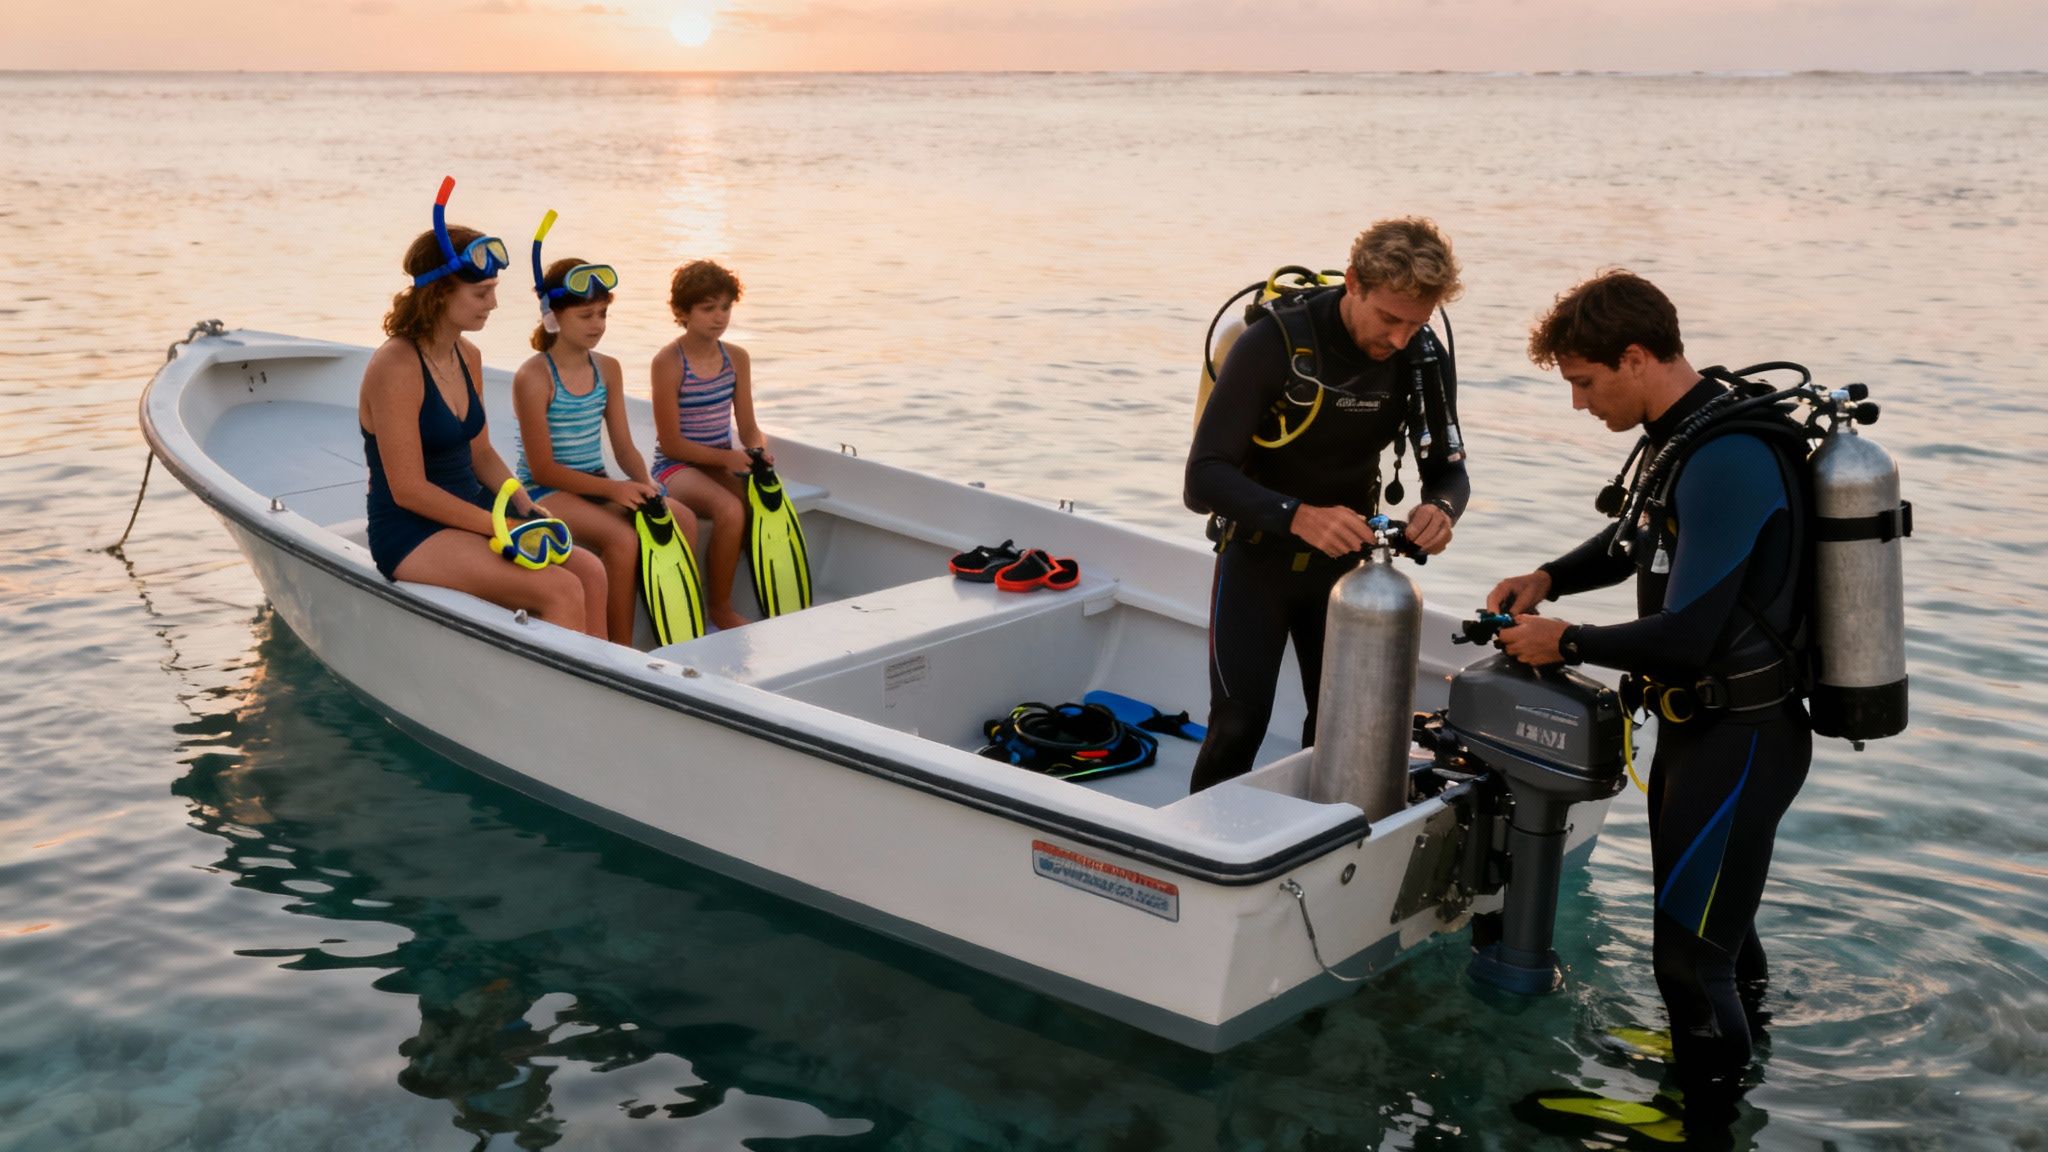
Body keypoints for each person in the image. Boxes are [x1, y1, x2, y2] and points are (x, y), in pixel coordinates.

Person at [1490, 270, 1812, 1140]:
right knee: (1720, 937)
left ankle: (1695, 1125)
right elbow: (1636, 536)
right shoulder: (1686, 437)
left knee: (1688, 959)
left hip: (1741, 737)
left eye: (1586, 383)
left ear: (1636, 357)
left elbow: (1689, 635)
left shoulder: (1731, 456)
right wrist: (1551, 577)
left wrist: (1571, 641)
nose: (1580, 404)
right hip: (1709, 730)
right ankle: (1711, 1065)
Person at [1184, 218, 1470, 791]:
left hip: (1345, 571)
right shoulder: (1272, 345)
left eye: (1415, 324)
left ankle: (1320, 852)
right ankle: (1199, 849)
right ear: (1356, 282)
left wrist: (1439, 508)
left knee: (1340, 729)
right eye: (1389, 318)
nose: (1398, 339)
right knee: (1238, 725)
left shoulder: (1422, 354)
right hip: (1256, 560)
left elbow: (1448, 469)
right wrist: (1298, 516)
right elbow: (1202, 479)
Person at [359, 187, 607, 637]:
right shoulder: (395, 366)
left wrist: (522, 501)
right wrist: (500, 525)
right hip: (412, 531)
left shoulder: (467, 355)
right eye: (481, 293)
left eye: (493, 291)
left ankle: (616, 690)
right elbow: (409, 490)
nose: (493, 303)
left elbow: (481, 452)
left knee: (590, 570)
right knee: (561, 590)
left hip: (476, 510)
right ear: (437, 295)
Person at [511, 252, 701, 644]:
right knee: (621, 539)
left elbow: (625, 447)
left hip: (593, 481)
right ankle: (619, 647)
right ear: (553, 316)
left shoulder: (608, 368)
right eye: (586, 316)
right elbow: (543, 468)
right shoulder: (533, 377)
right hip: (546, 491)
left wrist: (646, 485)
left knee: (680, 519)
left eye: (602, 314)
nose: (597, 325)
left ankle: (677, 629)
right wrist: (615, 489)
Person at [649, 259, 767, 632]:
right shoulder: (669, 362)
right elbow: (671, 443)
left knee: (760, 503)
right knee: (729, 510)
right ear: (682, 312)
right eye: (707, 308)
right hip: (676, 466)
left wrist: (757, 450)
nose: (719, 317)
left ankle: (756, 591)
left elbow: (748, 427)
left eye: (725, 308)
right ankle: (718, 608)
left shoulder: (736, 358)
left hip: (717, 460)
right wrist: (727, 457)